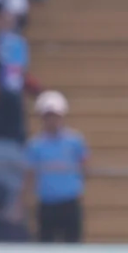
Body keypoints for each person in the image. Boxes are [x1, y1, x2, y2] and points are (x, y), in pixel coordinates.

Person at [25, 90, 87, 242]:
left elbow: (84, 164)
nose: (52, 120)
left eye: (55, 116)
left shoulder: (75, 141)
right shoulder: (35, 145)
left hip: (70, 202)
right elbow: (30, 174)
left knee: (73, 246)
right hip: (47, 204)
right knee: (45, 248)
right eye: (48, 116)